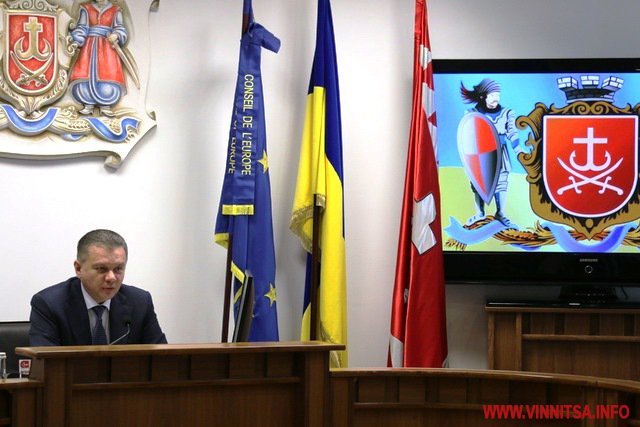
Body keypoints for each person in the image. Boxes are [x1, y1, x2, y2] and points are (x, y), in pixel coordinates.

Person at [29, 229, 167, 346]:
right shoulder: (49, 304)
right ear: (78, 268)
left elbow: (162, 359)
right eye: (101, 268)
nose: (111, 277)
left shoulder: (140, 302)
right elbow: (46, 362)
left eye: (118, 269)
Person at [460, 78, 529, 228]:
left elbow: (512, 133)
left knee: (501, 182)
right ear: (483, 96)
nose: (496, 98)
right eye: (492, 95)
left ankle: (501, 213)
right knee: (477, 182)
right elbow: (468, 136)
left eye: (497, 94)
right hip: (480, 154)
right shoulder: (472, 113)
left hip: (500, 153)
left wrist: (518, 149)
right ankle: (479, 213)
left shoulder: (507, 113)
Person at [69, 0, 129, 117]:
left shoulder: (115, 10)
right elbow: (82, 27)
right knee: (84, 74)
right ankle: (87, 104)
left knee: (107, 74)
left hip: (107, 48)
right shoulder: (86, 8)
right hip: (89, 47)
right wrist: (76, 41)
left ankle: (106, 105)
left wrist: (116, 35)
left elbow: (120, 28)